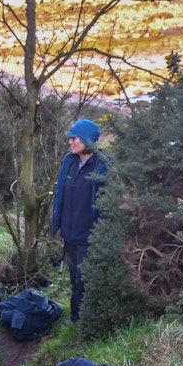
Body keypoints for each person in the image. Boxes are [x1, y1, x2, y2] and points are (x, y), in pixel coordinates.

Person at [51, 118, 110, 323]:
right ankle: (78, 316)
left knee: (85, 280)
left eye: (74, 138)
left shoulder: (103, 166)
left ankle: (80, 319)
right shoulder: (68, 161)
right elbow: (60, 196)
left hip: (89, 237)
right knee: (74, 277)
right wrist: (57, 225)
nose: (70, 142)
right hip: (69, 234)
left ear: (86, 140)